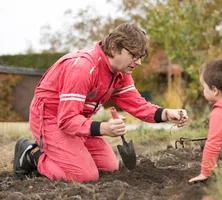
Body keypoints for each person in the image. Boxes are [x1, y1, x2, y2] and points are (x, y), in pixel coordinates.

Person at [13, 22, 188, 183]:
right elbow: (66, 120)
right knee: (84, 176)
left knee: (110, 167)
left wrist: (166, 113)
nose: (139, 62)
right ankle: (32, 155)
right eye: (134, 55)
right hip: (51, 117)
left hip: (78, 120)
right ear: (114, 47)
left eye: (141, 56)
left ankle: (69, 152)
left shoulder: (121, 74)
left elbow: (137, 105)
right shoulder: (83, 68)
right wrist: (104, 128)